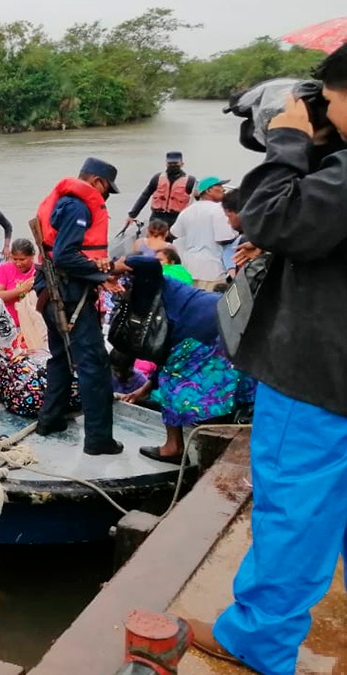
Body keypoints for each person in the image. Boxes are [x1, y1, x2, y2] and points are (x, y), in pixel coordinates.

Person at [186, 47, 347, 672]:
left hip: (318, 376)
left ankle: (257, 640)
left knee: (295, 511)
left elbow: (276, 218)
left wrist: (285, 139)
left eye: (327, 101)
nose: (320, 113)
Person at [109, 256, 252, 464]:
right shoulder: (144, 303)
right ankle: (218, 442)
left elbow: (150, 263)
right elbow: (164, 355)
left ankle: (173, 448)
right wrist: (145, 389)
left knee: (173, 380)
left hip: (205, 327)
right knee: (221, 389)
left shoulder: (147, 285)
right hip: (226, 324)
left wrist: (114, 266)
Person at [33, 157, 122, 456]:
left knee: (60, 357)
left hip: (52, 292)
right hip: (69, 297)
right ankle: (99, 440)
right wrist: (103, 275)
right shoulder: (78, 207)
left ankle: (50, 420)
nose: (106, 197)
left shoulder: (64, 201)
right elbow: (65, 256)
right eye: (108, 189)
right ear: (98, 183)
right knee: (94, 365)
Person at [169, 177, 238, 290]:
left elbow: (174, 234)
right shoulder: (219, 209)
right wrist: (237, 234)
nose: (223, 189)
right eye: (219, 186)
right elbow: (223, 238)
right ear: (208, 190)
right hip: (211, 271)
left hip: (189, 270)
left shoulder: (187, 211)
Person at [126, 151, 197, 227]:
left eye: (175, 163)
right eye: (170, 164)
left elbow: (199, 200)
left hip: (177, 218)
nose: (172, 165)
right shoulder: (157, 178)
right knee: (154, 237)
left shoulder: (190, 181)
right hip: (157, 217)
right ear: (166, 164)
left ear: (182, 164)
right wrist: (132, 215)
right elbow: (144, 196)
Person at [0, 239, 37, 326]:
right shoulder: (3, 269)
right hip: (9, 324)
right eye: (15, 259)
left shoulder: (38, 272)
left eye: (22, 259)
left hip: (32, 324)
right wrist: (21, 289)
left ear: (32, 256)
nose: (18, 263)